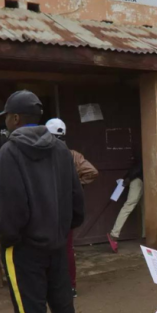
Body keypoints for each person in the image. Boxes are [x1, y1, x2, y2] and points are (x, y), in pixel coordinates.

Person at [0, 91, 85, 313]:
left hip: (24, 250)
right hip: (57, 246)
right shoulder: (61, 149)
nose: (6, 122)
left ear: (16, 118)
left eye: (7, 117)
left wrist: (6, 239)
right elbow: (77, 200)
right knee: (63, 307)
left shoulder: (10, 151)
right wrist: (61, 231)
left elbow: (12, 208)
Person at [46, 118, 98, 298]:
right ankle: (70, 287)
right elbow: (92, 171)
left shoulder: (40, 154)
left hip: (46, 210)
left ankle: (51, 287)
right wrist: (76, 184)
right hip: (66, 209)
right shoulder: (73, 155)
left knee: (47, 248)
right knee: (67, 248)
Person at [106, 155, 142, 253]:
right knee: (129, 206)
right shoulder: (145, 153)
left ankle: (114, 234)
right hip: (137, 179)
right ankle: (114, 235)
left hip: (138, 178)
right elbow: (139, 167)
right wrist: (130, 178)